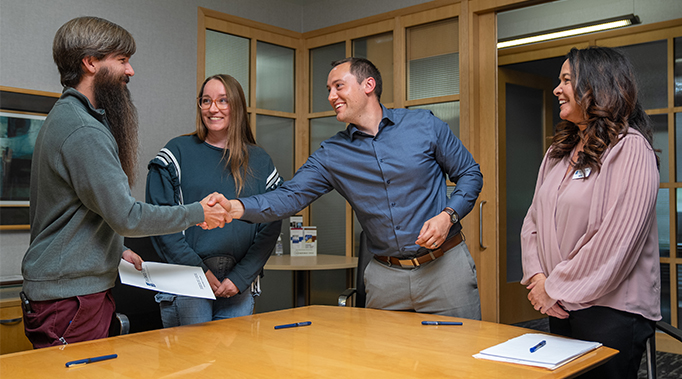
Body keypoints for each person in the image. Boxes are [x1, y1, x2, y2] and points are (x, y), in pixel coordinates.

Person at [208, 57, 483, 319]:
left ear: (368, 85)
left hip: (446, 268)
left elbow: (470, 174)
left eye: (338, 86)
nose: (331, 96)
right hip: (386, 278)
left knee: (461, 360)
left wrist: (448, 215)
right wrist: (235, 207)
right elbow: (290, 196)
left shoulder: (425, 125)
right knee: (384, 365)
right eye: (328, 89)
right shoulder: (332, 153)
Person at [21, 16, 230, 349]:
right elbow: (128, 216)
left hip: (69, 295)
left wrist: (117, 248)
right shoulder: (84, 130)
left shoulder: (65, 118)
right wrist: (198, 212)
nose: (130, 71)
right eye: (121, 60)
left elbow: (75, 210)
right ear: (90, 63)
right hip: (71, 299)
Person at [520, 46, 660, 379]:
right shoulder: (559, 151)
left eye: (566, 80)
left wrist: (553, 287)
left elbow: (615, 243)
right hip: (561, 304)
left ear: (596, 86)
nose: (557, 89)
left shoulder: (631, 149)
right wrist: (539, 279)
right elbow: (532, 222)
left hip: (611, 311)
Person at [146, 74, 282, 326]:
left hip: (237, 284)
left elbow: (271, 224)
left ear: (237, 106)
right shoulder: (175, 153)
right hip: (187, 280)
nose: (213, 108)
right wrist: (199, 271)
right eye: (206, 101)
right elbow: (160, 221)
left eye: (223, 100)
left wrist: (241, 277)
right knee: (192, 363)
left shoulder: (260, 161)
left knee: (231, 365)